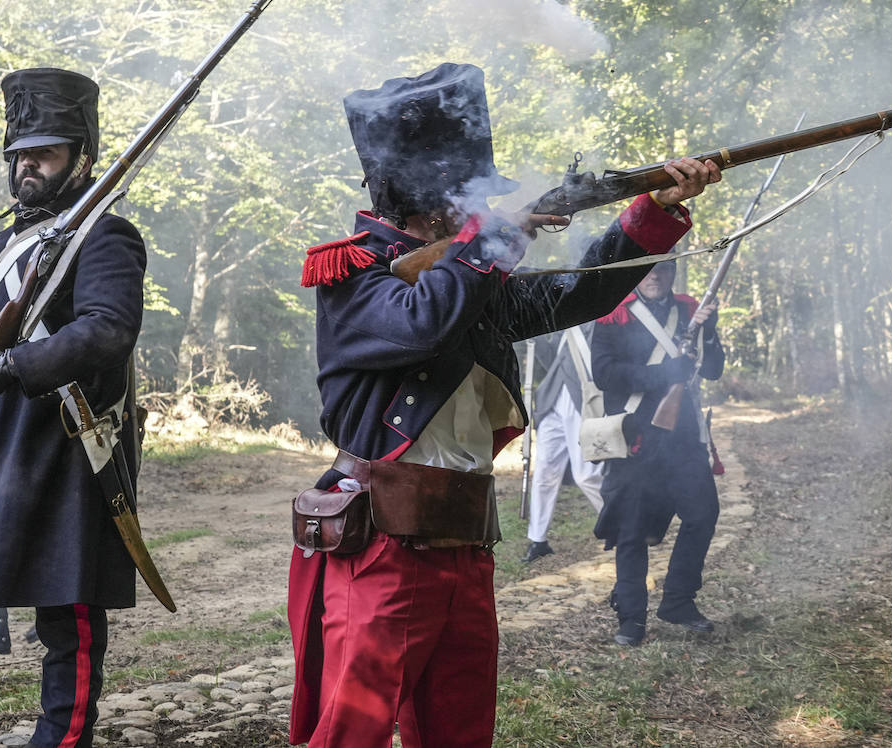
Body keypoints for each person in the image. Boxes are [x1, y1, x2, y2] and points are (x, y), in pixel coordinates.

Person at [286, 62, 720, 748]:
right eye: (473, 199)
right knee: (352, 734)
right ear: (434, 205)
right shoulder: (354, 274)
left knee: (460, 732)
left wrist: (652, 214)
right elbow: (423, 321)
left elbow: (579, 294)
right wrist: (491, 241)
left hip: (465, 540)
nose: (485, 211)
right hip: (383, 549)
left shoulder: (467, 272)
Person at [0, 68, 148, 747]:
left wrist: (14, 366)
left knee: (66, 617)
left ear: (81, 157)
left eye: (43, 152)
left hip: (61, 449)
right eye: (20, 153)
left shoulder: (106, 236)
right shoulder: (10, 239)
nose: (27, 165)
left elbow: (106, 330)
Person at [592, 258, 724, 646]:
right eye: (648, 270)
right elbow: (604, 373)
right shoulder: (612, 313)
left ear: (672, 274)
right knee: (630, 531)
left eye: (663, 270)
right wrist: (666, 373)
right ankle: (632, 618)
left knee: (703, 513)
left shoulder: (689, 310)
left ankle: (679, 600)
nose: (655, 276)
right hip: (634, 437)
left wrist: (709, 331)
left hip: (683, 438)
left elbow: (713, 369)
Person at [520, 323, 605, 563]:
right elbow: (553, 362)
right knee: (545, 472)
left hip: (583, 401)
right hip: (553, 402)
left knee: (587, 474)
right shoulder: (565, 318)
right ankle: (538, 539)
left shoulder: (596, 319)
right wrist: (533, 338)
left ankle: (621, 524)